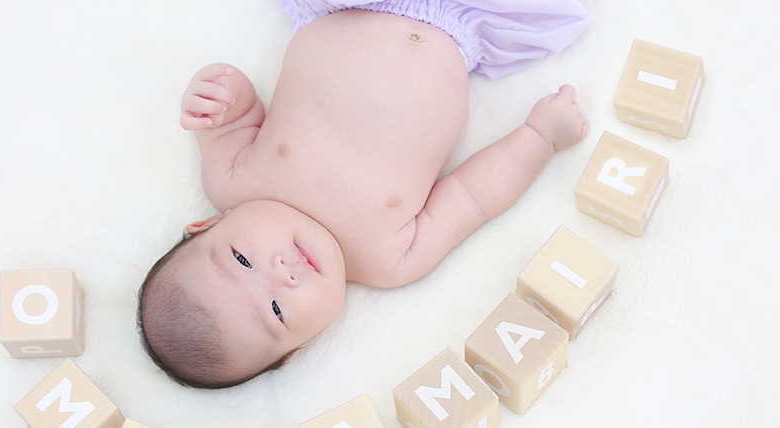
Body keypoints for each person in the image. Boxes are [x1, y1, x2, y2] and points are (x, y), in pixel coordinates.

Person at [138, 2, 591, 388]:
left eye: (240, 259)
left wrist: (212, 95)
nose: (281, 274)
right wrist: (540, 137)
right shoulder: (390, 261)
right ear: (298, 349)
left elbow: (232, 111)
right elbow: (475, 196)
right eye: (277, 311)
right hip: (459, 23)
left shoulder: (233, 183)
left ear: (209, 224)